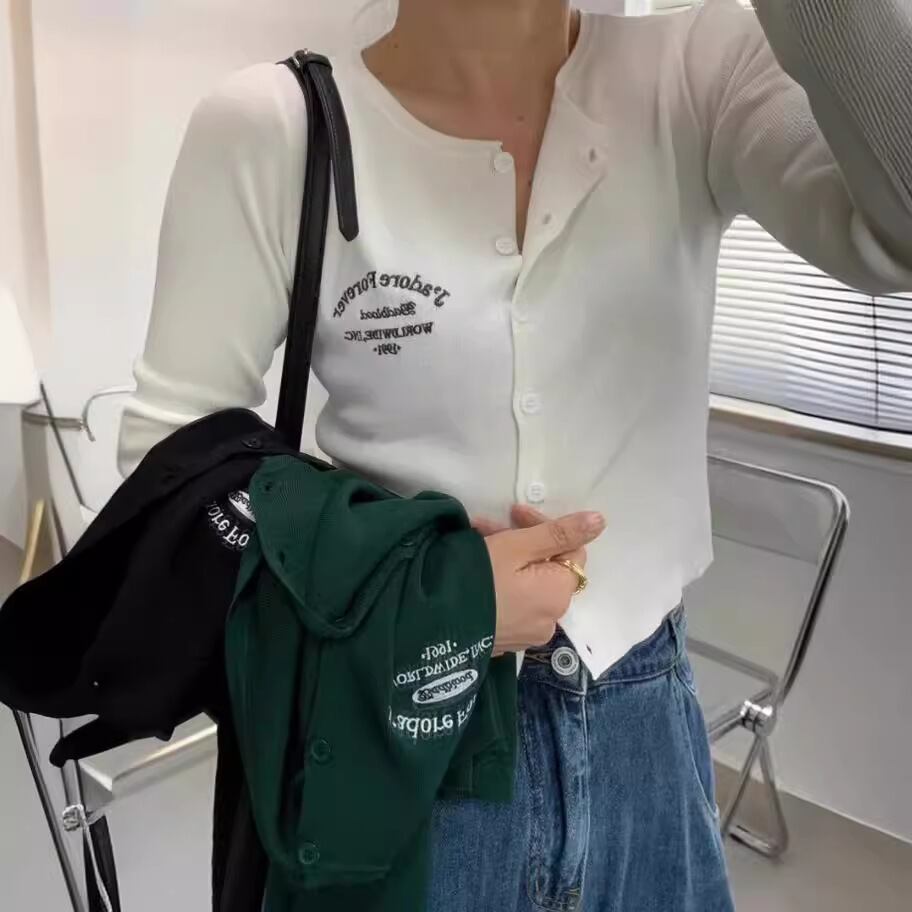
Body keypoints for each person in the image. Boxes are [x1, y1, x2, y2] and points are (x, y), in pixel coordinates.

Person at [118, 0, 912, 908]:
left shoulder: (699, 69)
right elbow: (165, 482)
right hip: (407, 732)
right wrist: (430, 599)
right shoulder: (277, 125)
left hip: (644, 726)